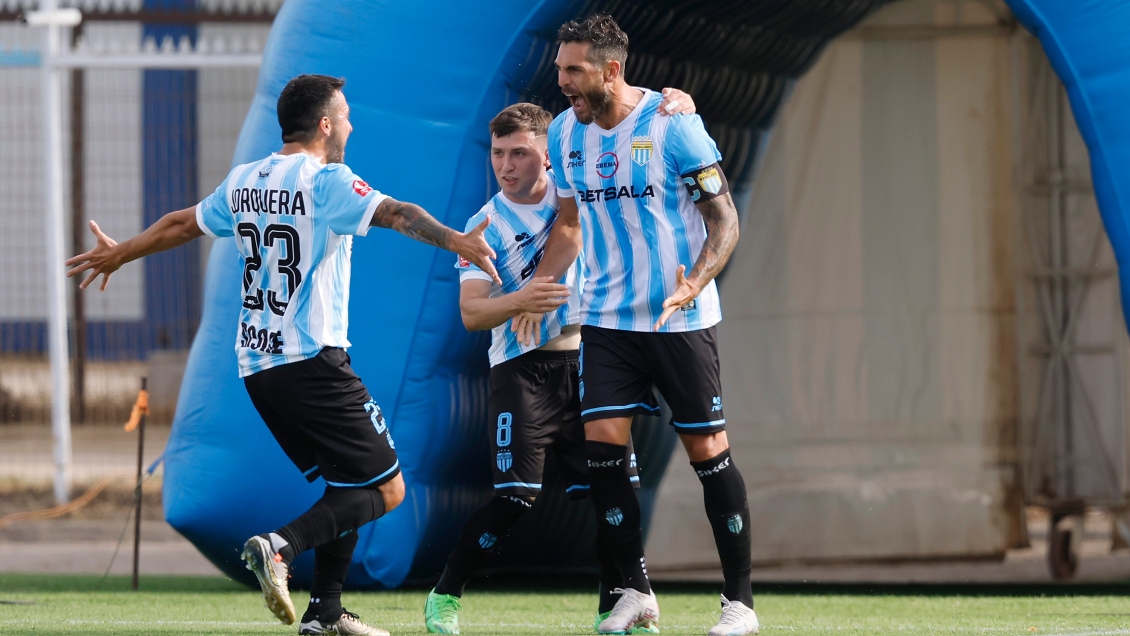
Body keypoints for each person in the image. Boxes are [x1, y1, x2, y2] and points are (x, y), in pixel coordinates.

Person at [65, 74, 500, 636]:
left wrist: (121, 253)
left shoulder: (246, 179)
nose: (351, 126)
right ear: (325, 124)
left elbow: (181, 223)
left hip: (258, 367)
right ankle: (279, 547)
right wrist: (455, 240)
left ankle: (325, 613)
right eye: (346, 117)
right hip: (311, 361)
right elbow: (396, 213)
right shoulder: (326, 180)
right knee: (386, 488)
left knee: (348, 483)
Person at [512, 14, 759, 636]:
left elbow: (725, 219)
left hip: (680, 320)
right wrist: (536, 290)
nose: (561, 80)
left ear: (611, 69)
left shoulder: (674, 124)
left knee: (708, 452)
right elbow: (569, 223)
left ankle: (740, 604)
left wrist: (695, 281)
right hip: (605, 320)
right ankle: (634, 590)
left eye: (574, 70)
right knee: (603, 452)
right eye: (560, 68)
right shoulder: (564, 133)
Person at [425, 92, 695, 635]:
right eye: (498, 153)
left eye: (519, 153)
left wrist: (680, 102)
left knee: (615, 491)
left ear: (547, 156)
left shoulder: (582, 196)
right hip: (522, 372)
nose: (506, 165)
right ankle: (445, 595)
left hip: (593, 363)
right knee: (516, 499)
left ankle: (615, 606)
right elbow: (472, 313)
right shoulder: (484, 225)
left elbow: (631, 138)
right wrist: (520, 300)